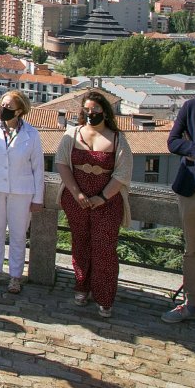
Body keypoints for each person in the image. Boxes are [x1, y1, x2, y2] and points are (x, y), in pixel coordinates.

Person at [56, 91, 132, 318]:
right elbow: (61, 164)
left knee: (105, 249)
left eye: (96, 110)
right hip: (76, 200)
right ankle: (81, 286)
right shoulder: (72, 134)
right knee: (80, 243)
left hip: (107, 203)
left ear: (105, 112)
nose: (91, 114)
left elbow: (122, 173)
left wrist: (102, 197)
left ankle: (105, 297)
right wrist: (77, 193)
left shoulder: (118, 139)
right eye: (87, 110)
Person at [0, 90, 44, 294]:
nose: (3, 109)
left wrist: (38, 197)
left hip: (21, 191)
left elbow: (38, 168)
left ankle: (15, 276)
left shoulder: (32, 134)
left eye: (9, 107)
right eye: (2, 105)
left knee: (18, 235)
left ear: (20, 111)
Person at [165, 96, 195, 322]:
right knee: (193, 250)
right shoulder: (192, 106)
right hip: (192, 190)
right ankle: (192, 304)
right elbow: (173, 142)